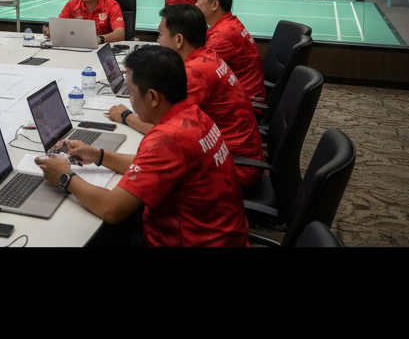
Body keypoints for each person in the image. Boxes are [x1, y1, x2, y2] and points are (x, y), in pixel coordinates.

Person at [34, 43, 249, 246]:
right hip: (219, 235)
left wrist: (65, 177)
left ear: (153, 97)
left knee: (87, 235)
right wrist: (98, 155)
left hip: (189, 241)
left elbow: (111, 209)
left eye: (131, 91)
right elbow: (151, 166)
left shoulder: (167, 139)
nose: (129, 100)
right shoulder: (193, 114)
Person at [108, 4, 263, 187]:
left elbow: (168, 130)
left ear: (179, 40)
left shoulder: (194, 73)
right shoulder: (206, 55)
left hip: (234, 169)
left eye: (161, 35)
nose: (158, 41)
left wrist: (125, 116)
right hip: (230, 153)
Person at [196, 0, 266, 106]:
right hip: (240, 94)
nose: (196, 4)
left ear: (214, 5)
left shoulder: (223, 35)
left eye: (199, 0)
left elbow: (201, 74)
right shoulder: (229, 23)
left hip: (244, 104)